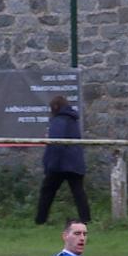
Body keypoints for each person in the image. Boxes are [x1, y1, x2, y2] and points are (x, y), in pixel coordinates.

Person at [35, 96, 90, 225]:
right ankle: (86, 219)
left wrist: (49, 165)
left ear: (55, 107)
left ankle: (40, 220)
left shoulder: (59, 120)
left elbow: (56, 143)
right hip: (75, 163)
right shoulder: (73, 120)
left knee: (47, 191)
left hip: (60, 164)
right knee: (78, 192)